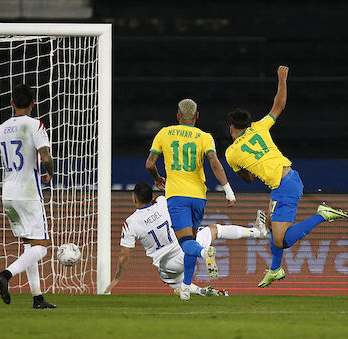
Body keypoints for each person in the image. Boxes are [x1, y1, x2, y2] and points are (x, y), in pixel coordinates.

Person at [225, 65, 348, 287]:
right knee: (271, 223)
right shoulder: (260, 127)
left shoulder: (232, 153)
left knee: (281, 240)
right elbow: (279, 105)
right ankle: (275, 269)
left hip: (283, 186)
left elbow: (248, 179)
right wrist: (282, 78)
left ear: (232, 128)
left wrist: (250, 169)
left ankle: (323, 214)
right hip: (287, 179)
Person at [0, 84, 56, 309]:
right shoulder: (36, 125)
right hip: (28, 192)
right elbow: (45, 157)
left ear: (12, 103)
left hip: (8, 194)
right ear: (33, 103)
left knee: (28, 245)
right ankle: (6, 274)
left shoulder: (1, 129)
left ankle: (37, 297)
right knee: (42, 246)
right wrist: (50, 174)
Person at [104, 183, 267, 298]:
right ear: (152, 196)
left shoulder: (130, 223)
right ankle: (257, 232)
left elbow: (124, 256)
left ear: (134, 199)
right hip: (185, 245)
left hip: (168, 264)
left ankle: (203, 288)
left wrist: (117, 277)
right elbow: (170, 191)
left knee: (175, 283)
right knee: (215, 230)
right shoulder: (162, 202)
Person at [146, 98, 237, 301]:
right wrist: (228, 190)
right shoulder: (204, 137)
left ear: (178, 116)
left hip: (177, 195)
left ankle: (205, 253)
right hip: (198, 196)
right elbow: (214, 162)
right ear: (197, 116)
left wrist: (157, 178)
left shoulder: (164, 133)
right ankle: (186, 287)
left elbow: (150, 163)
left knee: (186, 243)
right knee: (191, 242)